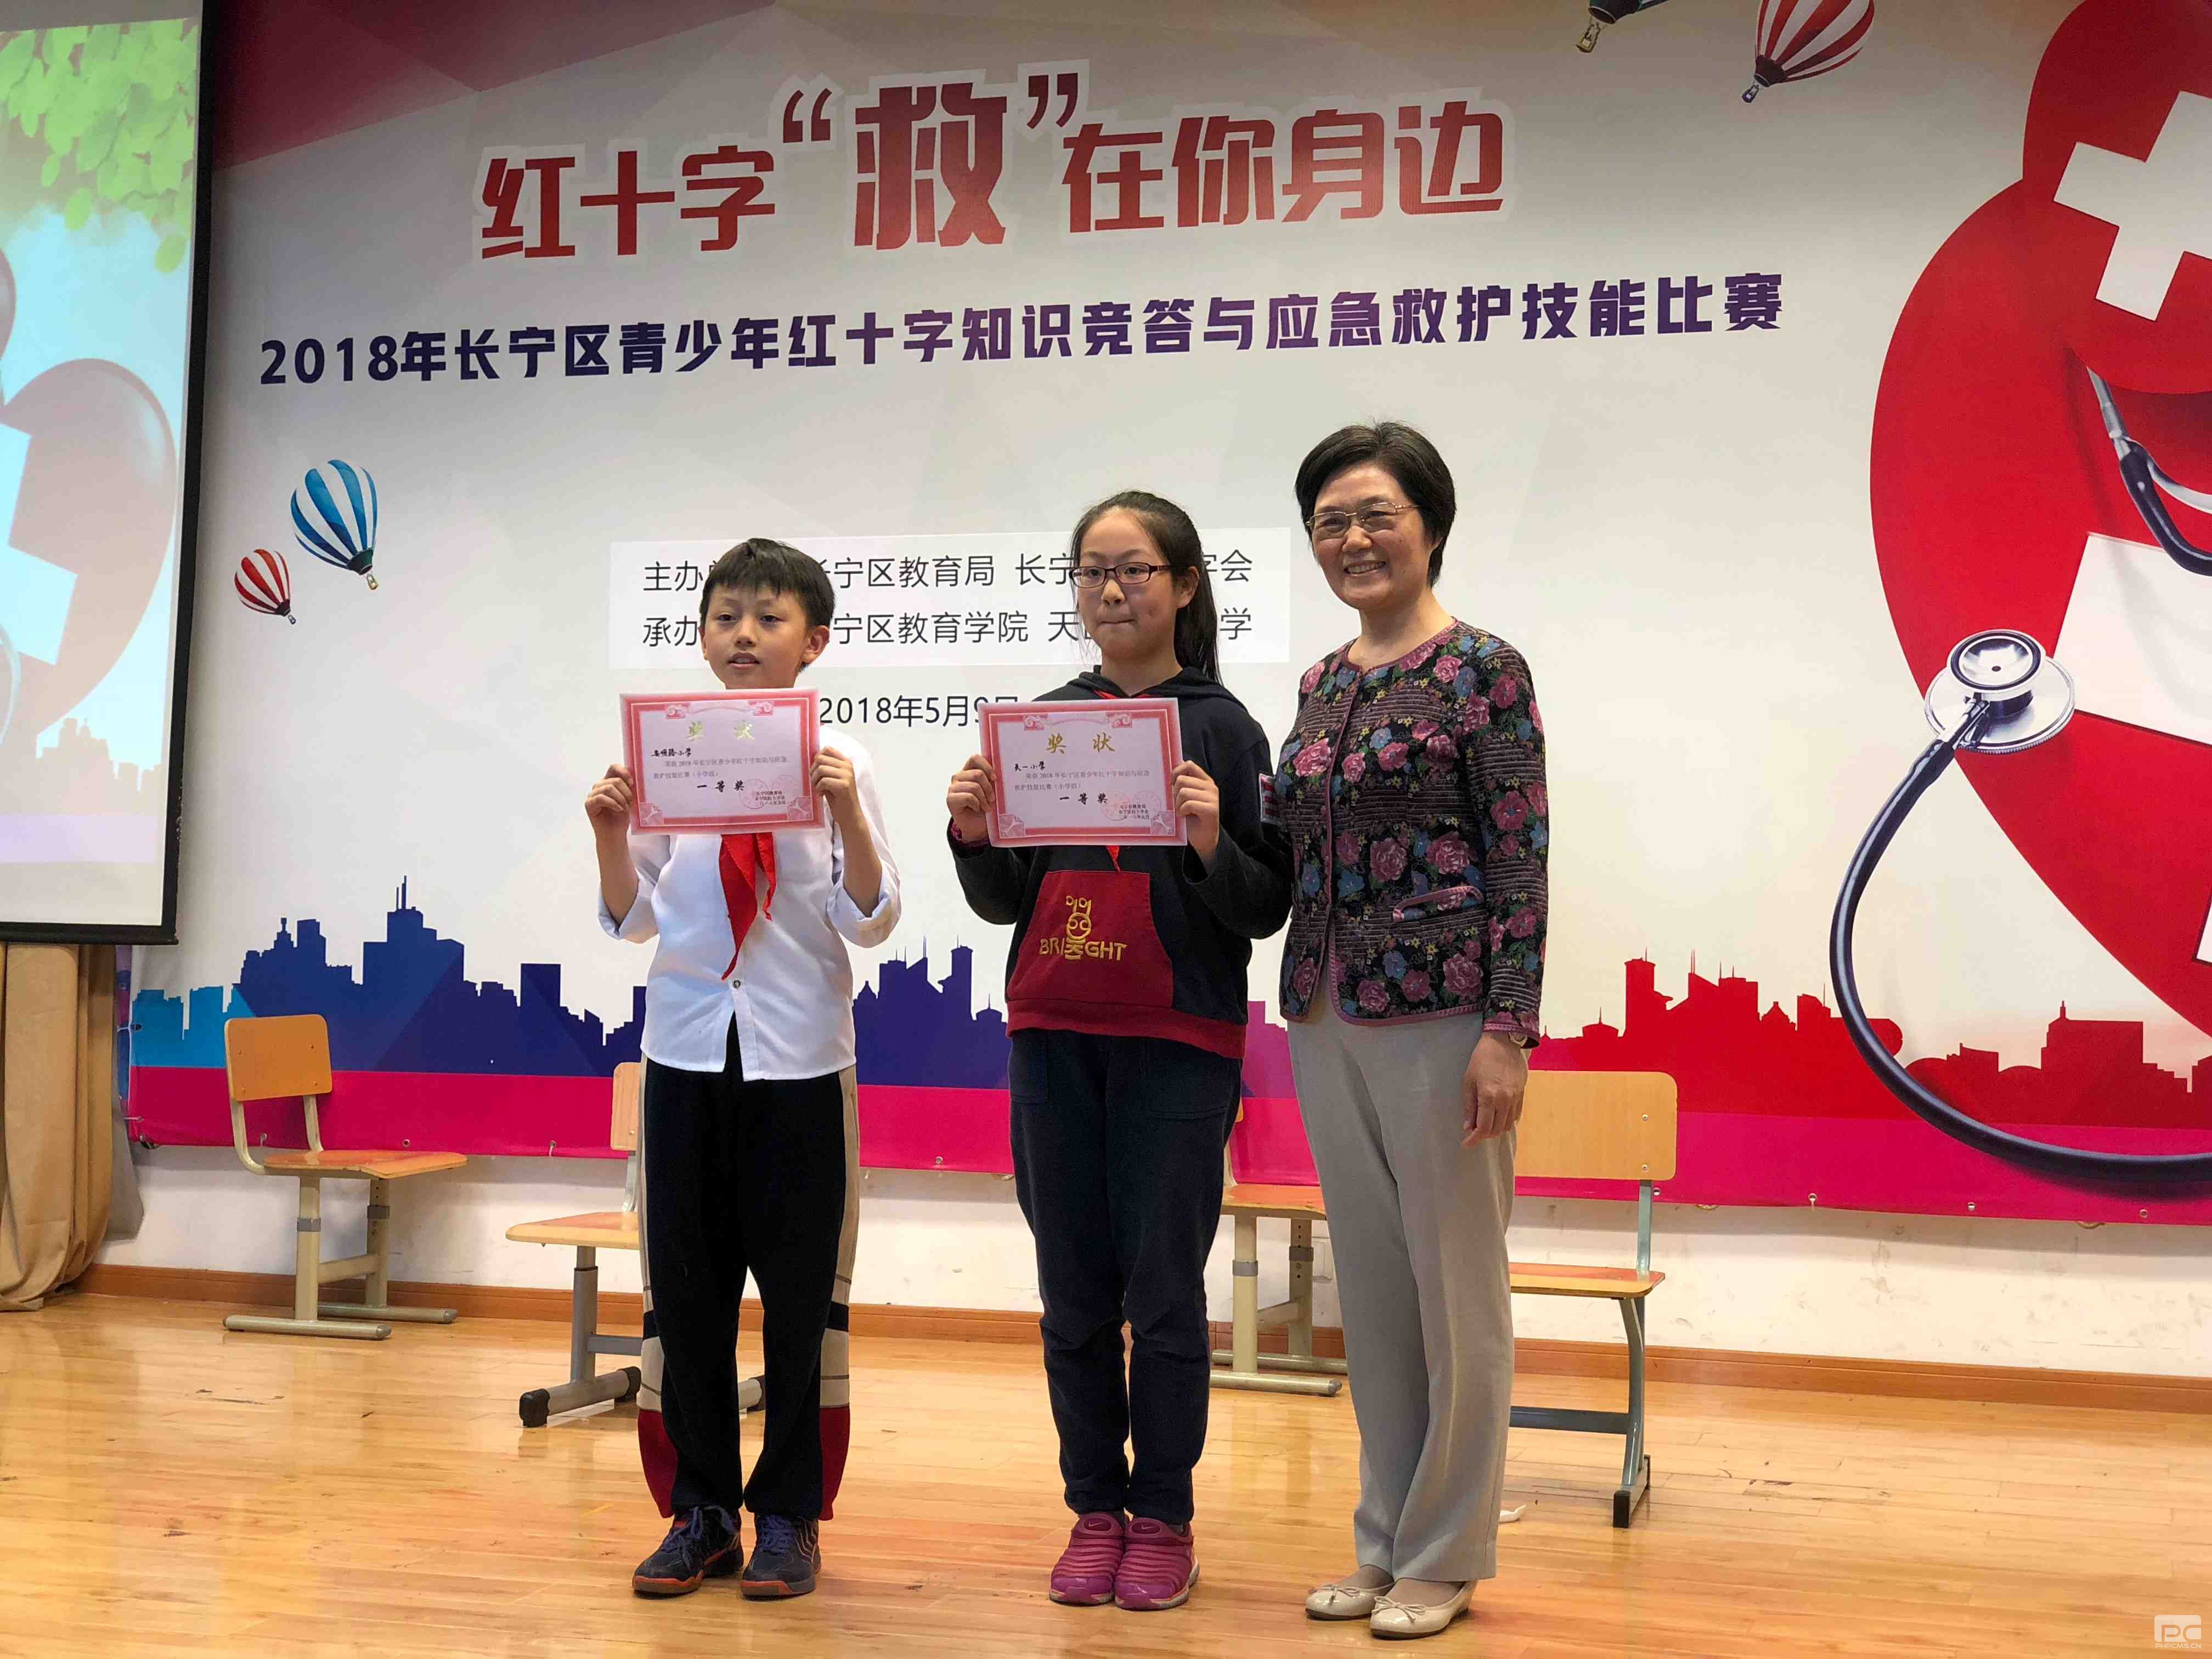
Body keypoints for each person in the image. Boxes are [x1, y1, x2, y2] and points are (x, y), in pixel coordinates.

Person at [944, 492, 1292, 1613]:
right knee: (1073, 1293)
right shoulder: (1043, 724)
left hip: (1179, 1039)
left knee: (1165, 1295)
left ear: (1185, 586)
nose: (1111, 589)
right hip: (1053, 1031)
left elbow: (1266, 906)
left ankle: (1165, 1517)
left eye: (1135, 569)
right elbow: (1007, 901)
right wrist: (972, 834)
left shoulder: (1227, 731)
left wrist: (1209, 840)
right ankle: (1095, 1510)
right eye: (1093, 570)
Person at [584, 538, 900, 1601]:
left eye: (769, 618)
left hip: (800, 1057)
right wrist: (611, 831)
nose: (744, 635)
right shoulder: (664, 755)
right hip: (685, 1049)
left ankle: (791, 1517)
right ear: (702, 636)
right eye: (725, 616)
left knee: (803, 1302)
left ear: (815, 641)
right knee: (688, 1295)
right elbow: (633, 919)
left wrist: (844, 810)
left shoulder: (840, 758)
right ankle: (703, 1513)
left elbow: (873, 918)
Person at [1273, 424, 1548, 1640]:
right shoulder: (1320, 684)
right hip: (1326, 1009)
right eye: (1330, 521)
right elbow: (1292, 846)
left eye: (1376, 514)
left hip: (1446, 1018)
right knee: (1377, 1296)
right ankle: (1383, 1541)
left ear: (1430, 525)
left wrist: (1510, 1030)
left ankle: (1446, 1552)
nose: (1354, 539)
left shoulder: (1486, 669)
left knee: (1458, 1298)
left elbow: (1521, 856)